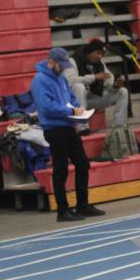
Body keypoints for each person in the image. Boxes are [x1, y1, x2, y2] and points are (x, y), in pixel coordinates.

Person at [32, 47, 105, 222]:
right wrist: (71, 111)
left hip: (68, 126)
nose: (63, 68)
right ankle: (62, 210)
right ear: (51, 62)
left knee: (82, 164)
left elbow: (70, 97)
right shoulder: (40, 80)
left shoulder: (61, 78)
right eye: (61, 65)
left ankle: (82, 204)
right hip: (54, 128)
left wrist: (78, 109)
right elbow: (46, 107)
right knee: (61, 169)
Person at [63, 39, 129, 134]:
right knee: (78, 86)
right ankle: (81, 125)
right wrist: (94, 77)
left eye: (102, 54)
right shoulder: (72, 60)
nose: (100, 56)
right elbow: (70, 81)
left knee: (122, 91)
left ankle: (119, 126)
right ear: (90, 51)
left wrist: (115, 84)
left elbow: (108, 80)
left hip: (92, 99)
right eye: (98, 53)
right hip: (74, 101)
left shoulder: (100, 64)